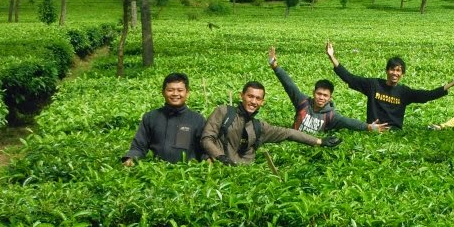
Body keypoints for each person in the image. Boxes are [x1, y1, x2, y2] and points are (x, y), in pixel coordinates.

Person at [326, 42, 454, 129]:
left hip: (394, 131)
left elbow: (427, 95)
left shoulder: (404, 92)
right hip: (373, 128)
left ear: (402, 74)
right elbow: (350, 78)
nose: (395, 73)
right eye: (392, 69)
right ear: (387, 71)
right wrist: (332, 57)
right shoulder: (373, 85)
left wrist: (452, 83)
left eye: (398, 70)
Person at [201, 81, 340, 165]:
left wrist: (320, 141)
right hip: (217, 167)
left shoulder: (259, 126)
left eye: (258, 98)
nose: (253, 101)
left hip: (242, 172)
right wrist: (220, 157)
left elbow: (289, 133)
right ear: (241, 95)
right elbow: (207, 138)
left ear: (262, 102)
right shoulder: (224, 112)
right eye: (250, 96)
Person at [268, 46, 387, 134]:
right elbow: (289, 85)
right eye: (319, 94)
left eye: (325, 95)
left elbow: (350, 122)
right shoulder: (302, 102)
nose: (321, 97)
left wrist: (369, 127)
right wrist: (275, 67)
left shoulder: (331, 116)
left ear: (330, 98)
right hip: (292, 140)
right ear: (313, 93)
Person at [123, 72, 205, 166]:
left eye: (180, 90)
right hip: (157, 173)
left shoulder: (198, 119)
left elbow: (204, 149)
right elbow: (139, 146)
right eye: (170, 90)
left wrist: (208, 161)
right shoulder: (151, 117)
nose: (175, 94)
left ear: (187, 93)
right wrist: (131, 158)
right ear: (163, 92)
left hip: (188, 175)